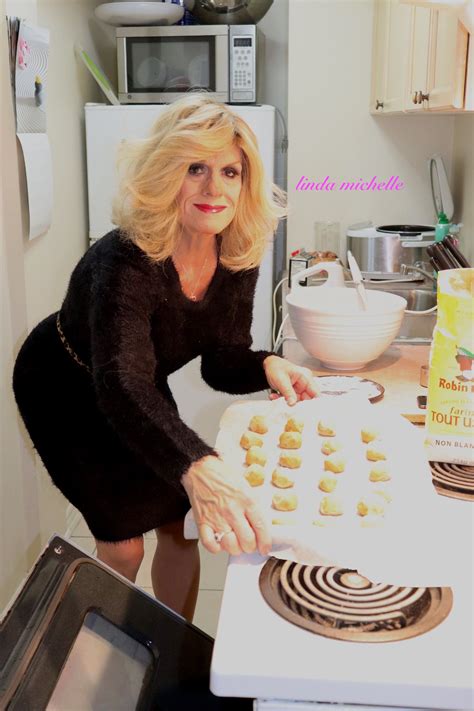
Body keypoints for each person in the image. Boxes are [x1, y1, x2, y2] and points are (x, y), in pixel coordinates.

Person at [13, 95, 317, 621]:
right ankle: (113, 647)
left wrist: (266, 363)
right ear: (165, 171)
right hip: (63, 385)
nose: (213, 189)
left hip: (135, 385)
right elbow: (119, 383)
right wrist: (198, 463)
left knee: (181, 524)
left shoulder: (235, 252)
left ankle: (176, 649)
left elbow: (220, 360)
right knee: (124, 541)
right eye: (194, 168)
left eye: (230, 171)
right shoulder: (126, 259)